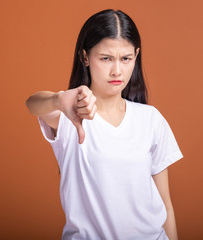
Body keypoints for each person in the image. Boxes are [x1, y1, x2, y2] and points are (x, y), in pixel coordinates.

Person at [26, 9, 183, 240]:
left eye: (126, 58)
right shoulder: (69, 116)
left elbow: (166, 205)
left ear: (136, 55)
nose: (117, 71)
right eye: (106, 58)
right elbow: (32, 103)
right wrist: (59, 99)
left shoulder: (151, 119)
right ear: (85, 57)